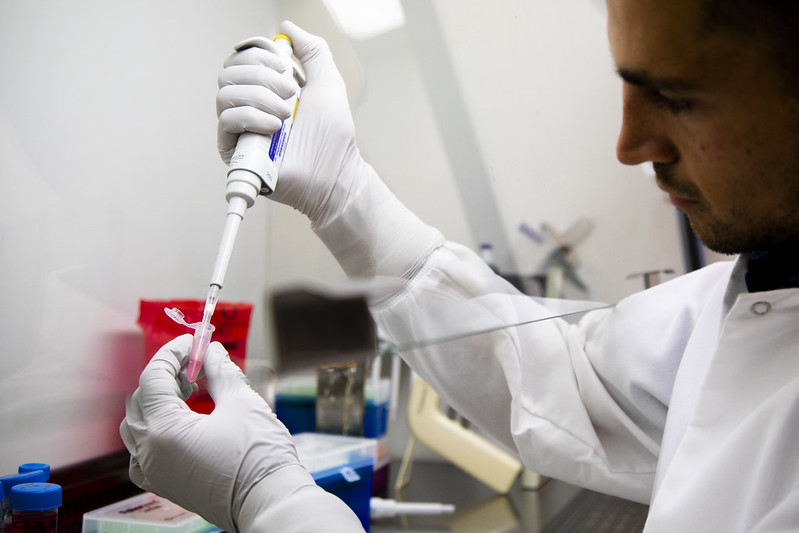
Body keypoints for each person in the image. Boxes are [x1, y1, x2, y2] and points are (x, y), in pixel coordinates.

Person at [120, 0, 799, 531]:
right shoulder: (757, 286)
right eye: (627, 84)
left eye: (676, 97)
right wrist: (346, 197)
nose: (629, 144)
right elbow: (566, 372)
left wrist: (272, 500)